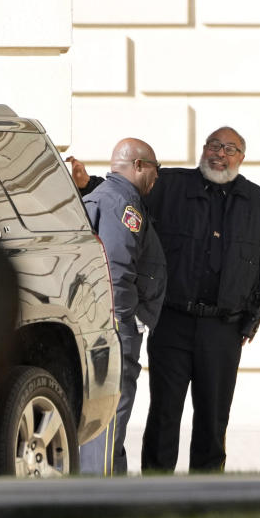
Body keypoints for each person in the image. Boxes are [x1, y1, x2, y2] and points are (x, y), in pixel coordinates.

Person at [70, 127, 260, 473]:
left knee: (213, 418)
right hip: (172, 323)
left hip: (223, 329)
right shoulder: (169, 185)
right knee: (164, 414)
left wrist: (251, 320)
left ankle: (206, 492)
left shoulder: (259, 204)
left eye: (230, 149)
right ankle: (157, 490)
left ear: (241, 158)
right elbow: (122, 193)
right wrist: (85, 184)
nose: (220, 153)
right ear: (204, 150)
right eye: (214, 145)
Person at [70, 139, 166, 476]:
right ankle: (100, 495)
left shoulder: (105, 197)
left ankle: (111, 486)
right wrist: (128, 322)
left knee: (108, 418)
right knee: (111, 417)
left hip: (102, 326)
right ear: (139, 166)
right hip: (116, 330)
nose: (158, 177)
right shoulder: (124, 204)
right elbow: (116, 270)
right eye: (156, 168)